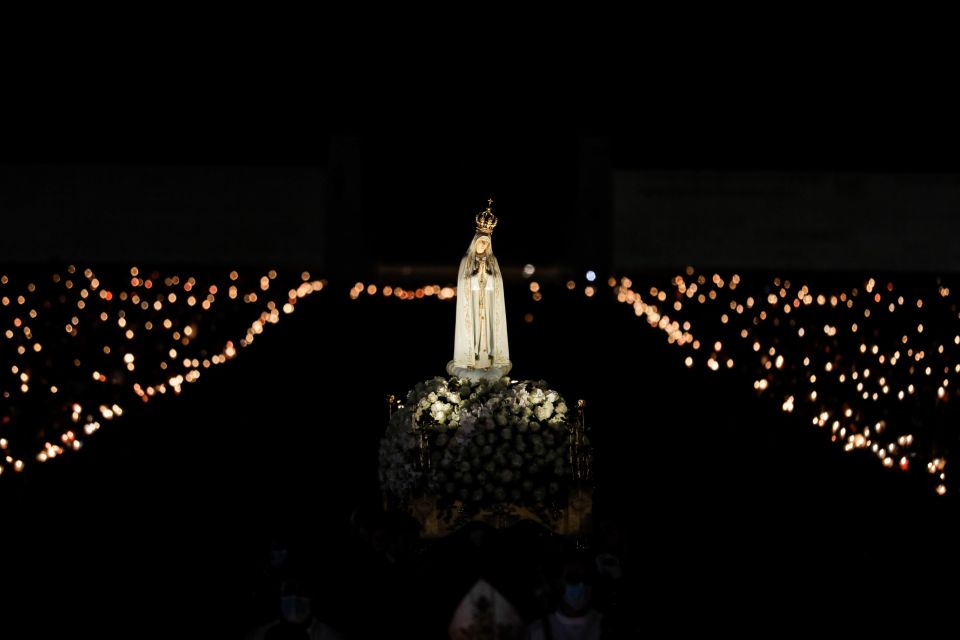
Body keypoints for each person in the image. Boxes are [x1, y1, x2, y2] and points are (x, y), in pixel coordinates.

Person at [447, 199, 512, 381]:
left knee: (487, 334)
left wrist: (488, 276)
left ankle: (489, 360)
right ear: (475, 242)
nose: (482, 246)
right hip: (473, 306)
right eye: (480, 243)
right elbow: (464, 283)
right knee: (475, 333)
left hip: (488, 305)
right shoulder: (466, 261)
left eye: (485, 243)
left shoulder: (493, 261)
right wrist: (477, 276)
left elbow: (497, 284)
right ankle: (471, 359)